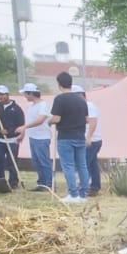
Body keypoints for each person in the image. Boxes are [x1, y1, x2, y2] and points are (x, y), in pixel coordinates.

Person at [46, 71, 92, 202]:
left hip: (65, 137)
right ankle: (83, 194)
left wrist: (49, 121)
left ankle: (73, 194)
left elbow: (56, 118)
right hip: (80, 136)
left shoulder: (60, 99)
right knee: (82, 165)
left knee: (68, 166)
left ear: (59, 84)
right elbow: (87, 119)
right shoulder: (81, 100)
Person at [0, 85, 25, 190]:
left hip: (12, 140)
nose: (0, 97)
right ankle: (0, 181)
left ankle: (13, 182)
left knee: (12, 162)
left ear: (7, 95)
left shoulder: (16, 109)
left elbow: (21, 125)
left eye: (2, 94)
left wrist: (9, 131)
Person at [19, 83, 53, 193]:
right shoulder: (32, 106)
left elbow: (40, 120)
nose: (25, 96)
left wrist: (24, 127)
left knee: (44, 161)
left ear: (31, 93)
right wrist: (23, 132)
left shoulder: (43, 105)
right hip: (33, 137)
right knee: (37, 162)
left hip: (42, 138)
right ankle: (41, 183)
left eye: (25, 94)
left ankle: (48, 184)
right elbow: (30, 121)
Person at [85, 92, 103, 196]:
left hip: (92, 140)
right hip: (92, 139)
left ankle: (84, 187)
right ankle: (95, 187)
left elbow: (93, 122)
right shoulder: (87, 106)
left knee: (84, 163)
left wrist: (89, 137)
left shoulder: (89, 106)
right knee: (92, 164)